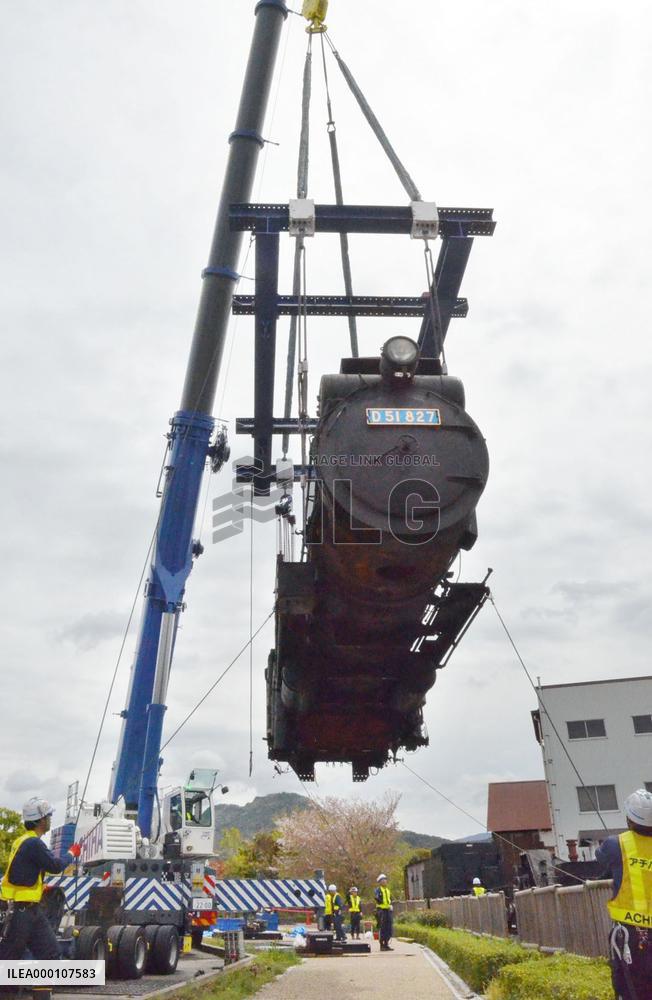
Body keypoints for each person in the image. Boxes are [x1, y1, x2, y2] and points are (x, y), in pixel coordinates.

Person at [0, 797, 81, 999]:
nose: (50, 819)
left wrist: (39, 886)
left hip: (31, 911)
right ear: (40, 820)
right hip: (20, 912)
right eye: (48, 816)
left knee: (51, 954)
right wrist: (71, 853)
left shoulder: (24, 842)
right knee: (8, 962)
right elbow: (54, 865)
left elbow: (21, 873)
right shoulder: (33, 843)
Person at [596, 788, 652, 999]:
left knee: (631, 991)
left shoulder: (616, 844)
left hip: (632, 937)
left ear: (629, 819)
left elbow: (600, 857)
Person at [374, 873, 393, 951]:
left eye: (385, 880)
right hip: (381, 911)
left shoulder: (387, 890)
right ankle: (382, 945)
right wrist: (380, 900)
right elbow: (377, 897)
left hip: (388, 910)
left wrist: (390, 905)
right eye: (383, 880)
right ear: (380, 882)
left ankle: (386, 944)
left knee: (389, 927)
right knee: (383, 928)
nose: (385, 881)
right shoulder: (378, 890)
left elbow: (389, 899)